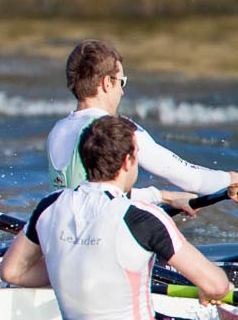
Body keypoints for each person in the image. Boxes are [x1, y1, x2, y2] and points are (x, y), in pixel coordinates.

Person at [1, 115, 232, 320]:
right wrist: (211, 290)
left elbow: (13, 272)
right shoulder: (142, 217)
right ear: (127, 162)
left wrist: (72, 270)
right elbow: (217, 284)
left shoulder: (49, 205)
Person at [46, 39, 232, 208]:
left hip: (61, 236)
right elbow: (192, 179)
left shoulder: (57, 130)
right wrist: (230, 179)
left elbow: (87, 193)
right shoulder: (114, 129)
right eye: (122, 83)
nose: (122, 92)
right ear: (106, 84)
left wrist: (163, 197)